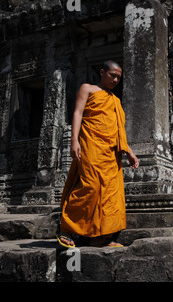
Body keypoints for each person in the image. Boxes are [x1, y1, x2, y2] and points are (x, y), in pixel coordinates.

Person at [56, 60, 139, 248]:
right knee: (90, 186)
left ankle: (100, 238)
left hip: (111, 154)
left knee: (110, 195)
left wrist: (130, 153)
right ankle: (65, 227)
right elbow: (77, 114)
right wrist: (74, 141)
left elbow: (119, 129)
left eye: (119, 77)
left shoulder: (116, 101)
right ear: (102, 72)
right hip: (91, 146)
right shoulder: (88, 89)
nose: (116, 80)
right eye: (113, 75)